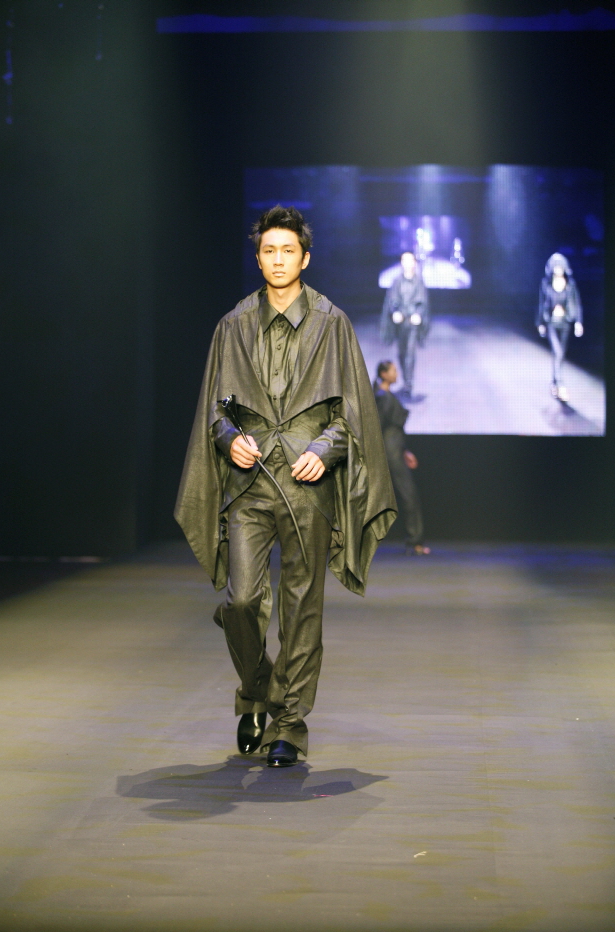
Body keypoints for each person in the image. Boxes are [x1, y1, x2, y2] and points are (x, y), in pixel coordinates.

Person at [175, 206, 396, 768]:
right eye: (268, 251)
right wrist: (229, 439)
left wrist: (325, 450)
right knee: (241, 601)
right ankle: (258, 690)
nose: (278, 260)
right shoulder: (233, 326)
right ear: (258, 258)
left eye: (288, 251)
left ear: (305, 258)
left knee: (302, 607)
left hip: (306, 486)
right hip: (249, 485)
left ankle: (291, 725)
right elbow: (215, 410)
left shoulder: (331, 324)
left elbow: (352, 414)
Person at [374, 360, 429, 556]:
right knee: (408, 495)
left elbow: (393, 430)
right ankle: (415, 542)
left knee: (404, 495)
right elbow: (377, 427)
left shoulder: (386, 395)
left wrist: (405, 451)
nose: (396, 374)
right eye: (393, 370)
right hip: (389, 452)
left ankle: (414, 541)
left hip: (395, 449)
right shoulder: (382, 397)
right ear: (383, 374)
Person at [380, 251, 429, 400]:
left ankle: (408, 385)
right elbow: (392, 300)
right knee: (401, 354)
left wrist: (418, 314)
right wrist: (395, 311)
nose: (407, 263)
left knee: (410, 354)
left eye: (410, 260)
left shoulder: (419, 282)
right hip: (400, 324)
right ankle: (406, 381)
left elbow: (423, 302)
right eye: (404, 260)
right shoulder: (397, 281)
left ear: (415, 263)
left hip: (412, 324)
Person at [536, 252, 583, 403]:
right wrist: (540, 323)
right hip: (551, 323)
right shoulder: (546, 284)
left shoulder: (570, 285)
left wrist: (578, 322)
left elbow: (577, 304)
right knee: (557, 352)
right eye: (556, 267)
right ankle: (560, 385)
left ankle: (554, 382)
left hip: (565, 323)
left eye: (560, 267)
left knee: (560, 354)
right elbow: (541, 304)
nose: (558, 270)